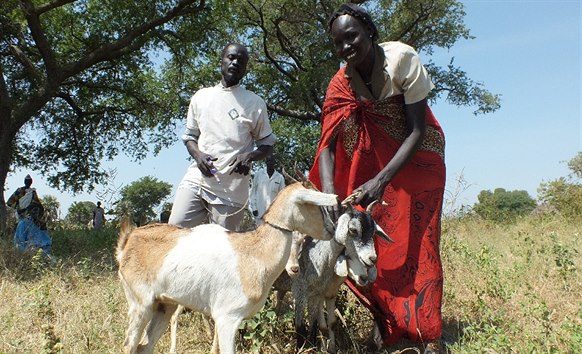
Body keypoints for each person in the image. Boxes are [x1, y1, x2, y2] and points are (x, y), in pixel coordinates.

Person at [308, 4, 446, 352]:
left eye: (351, 36)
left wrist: (381, 181)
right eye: (338, 43)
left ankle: (426, 332)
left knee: (418, 244)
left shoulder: (402, 59)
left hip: (415, 163)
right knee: (371, 246)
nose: (345, 48)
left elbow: (416, 130)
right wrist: (330, 197)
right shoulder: (340, 83)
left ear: (368, 30)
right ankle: (386, 328)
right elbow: (327, 145)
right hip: (370, 169)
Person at [168, 43, 276, 231]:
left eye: (241, 61)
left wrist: (250, 156)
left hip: (231, 191)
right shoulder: (201, 97)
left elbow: (267, 145)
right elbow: (190, 136)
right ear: (221, 61)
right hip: (197, 180)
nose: (235, 62)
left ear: (245, 68)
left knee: (221, 250)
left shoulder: (255, 103)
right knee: (173, 232)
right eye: (231, 57)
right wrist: (198, 155)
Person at [6, 174, 52, 256]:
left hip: (29, 218)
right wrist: (19, 209)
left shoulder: (32, 192)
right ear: (25, 182)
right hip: (25, 218)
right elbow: (10, 203)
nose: (28, 182)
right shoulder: (20, 191)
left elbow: (38, 205)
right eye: (27, 181)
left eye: (29, 181)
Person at [249, 153, 285, 225]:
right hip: (259, 212)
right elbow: (252, 192)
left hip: (273, 215)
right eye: (268, 161)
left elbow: (282, 197)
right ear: (266, 162)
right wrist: (254, 208)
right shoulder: (259, 174)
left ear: (274, 162)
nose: (270, 163)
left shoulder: (280, 177)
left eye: (272, 161)